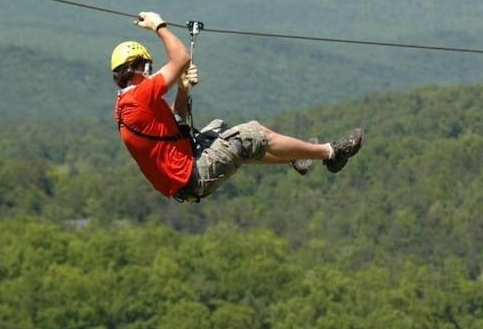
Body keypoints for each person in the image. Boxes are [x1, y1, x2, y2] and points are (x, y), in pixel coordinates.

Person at [112, 11, 364, 201]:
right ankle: (331, 153)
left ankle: (296, 156)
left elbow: (177, 123)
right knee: (252, 134)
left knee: (221, 129)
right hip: (191, 174)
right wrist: (160, 26)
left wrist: (183, 89)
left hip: (183, 174)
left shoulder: (127, 104)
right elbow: (181, 57)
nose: (151, 72)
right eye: (148, 67)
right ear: (138, 67)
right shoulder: (140, 97)